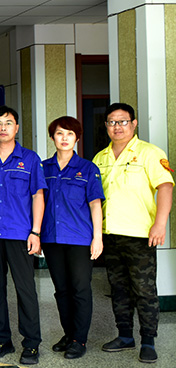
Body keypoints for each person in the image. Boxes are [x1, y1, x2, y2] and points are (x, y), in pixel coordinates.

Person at [92, 103, 174, 364]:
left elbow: (165, 187)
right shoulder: (100, 158)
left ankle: (148, 340)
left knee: (144, 289)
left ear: (134, 123)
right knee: (118, 288)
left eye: (123, 121)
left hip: (140, 235)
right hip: (110, 233)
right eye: (112, 122)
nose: (117, 127)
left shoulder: (150, 153)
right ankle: (125, 335)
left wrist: (160, 224)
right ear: (106, 125)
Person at [0, 106, 46, 365]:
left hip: (20, 234)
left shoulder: (30, 159)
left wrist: (36, 232)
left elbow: (38, 196)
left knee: (25, 289)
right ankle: (2, 339)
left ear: (16, 128)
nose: (3, 127)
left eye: (8, 123)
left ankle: (31, 344)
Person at [40, 116, 104, 360]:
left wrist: (97, 238)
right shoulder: (43, 168)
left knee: (80, 288)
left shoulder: (88, 168)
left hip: (79, 238)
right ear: (52, 137)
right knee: (61, 290)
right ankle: (68, 334)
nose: (64, 138)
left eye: (69, 134)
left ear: (77, 138)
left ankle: (79, 339)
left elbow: (95, 205)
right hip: (51, 238)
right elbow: (36, 202)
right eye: (59, 133)